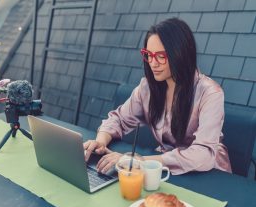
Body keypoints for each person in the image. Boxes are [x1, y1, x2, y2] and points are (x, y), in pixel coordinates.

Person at [83, 18, 232, 175]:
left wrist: (140, 161)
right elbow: (119, 119)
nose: (153, 63)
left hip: (209, 175)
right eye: (149, 55)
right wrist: (100, 141)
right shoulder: (147, 87)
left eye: (161, 56)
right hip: (164, 168)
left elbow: (202, 154)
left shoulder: (211, 93)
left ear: (180, 54)